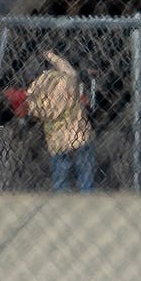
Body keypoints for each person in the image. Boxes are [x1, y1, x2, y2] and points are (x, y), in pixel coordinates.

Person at [26, 49, 93, 192]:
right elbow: (71, 72)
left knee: (60, 180)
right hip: (78, 133)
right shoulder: (64, 80)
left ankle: (61, 202)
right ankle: (88, 199)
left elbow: (33, 111)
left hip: (57, 140)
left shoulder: (34, 92)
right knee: (85, 177)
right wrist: (52, 56)